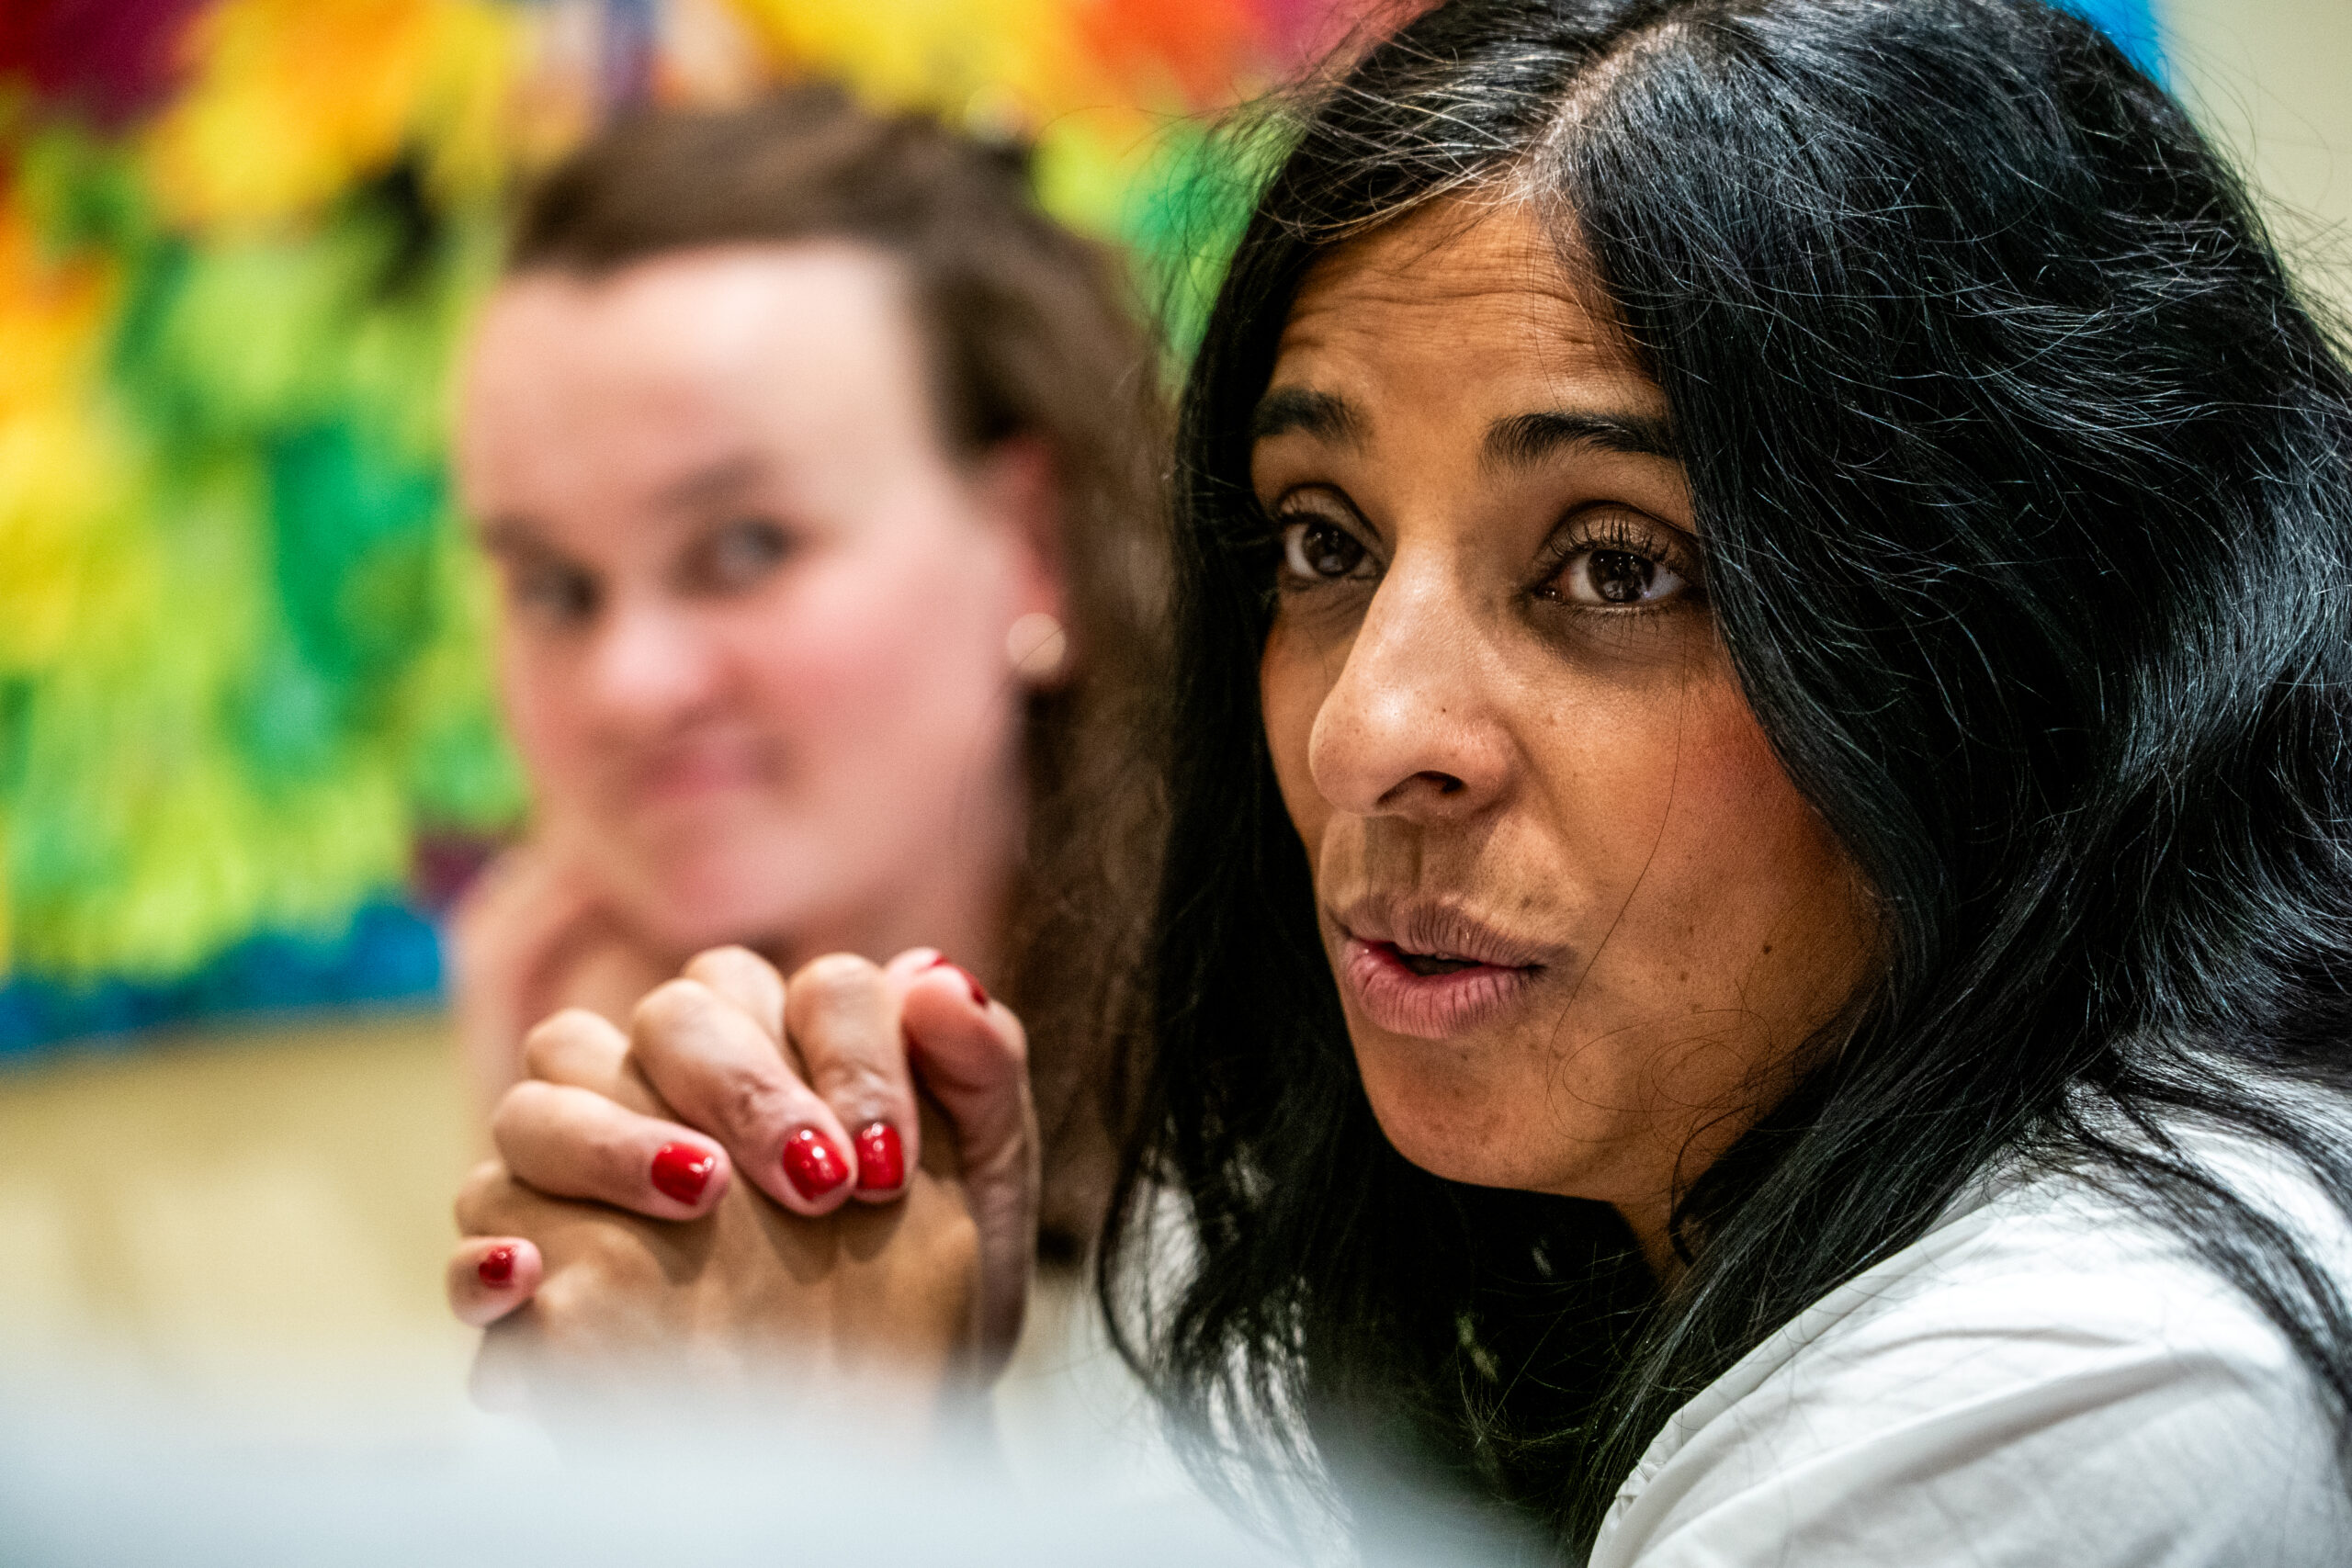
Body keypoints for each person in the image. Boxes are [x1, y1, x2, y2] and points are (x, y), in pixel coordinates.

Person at [447, 1, 2352, 1561]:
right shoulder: (1475, 1232)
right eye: (1322, 541)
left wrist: (831, 1491)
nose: (1363, 728)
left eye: (1617, 566)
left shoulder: (2077, 1387)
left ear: (2018, 631)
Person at [447, 86, 1166, 1254]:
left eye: (744, 549)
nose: (630, 684)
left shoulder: (1283, 1182)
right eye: (555, 589)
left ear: (1035, 546)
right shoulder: (559, 1079)